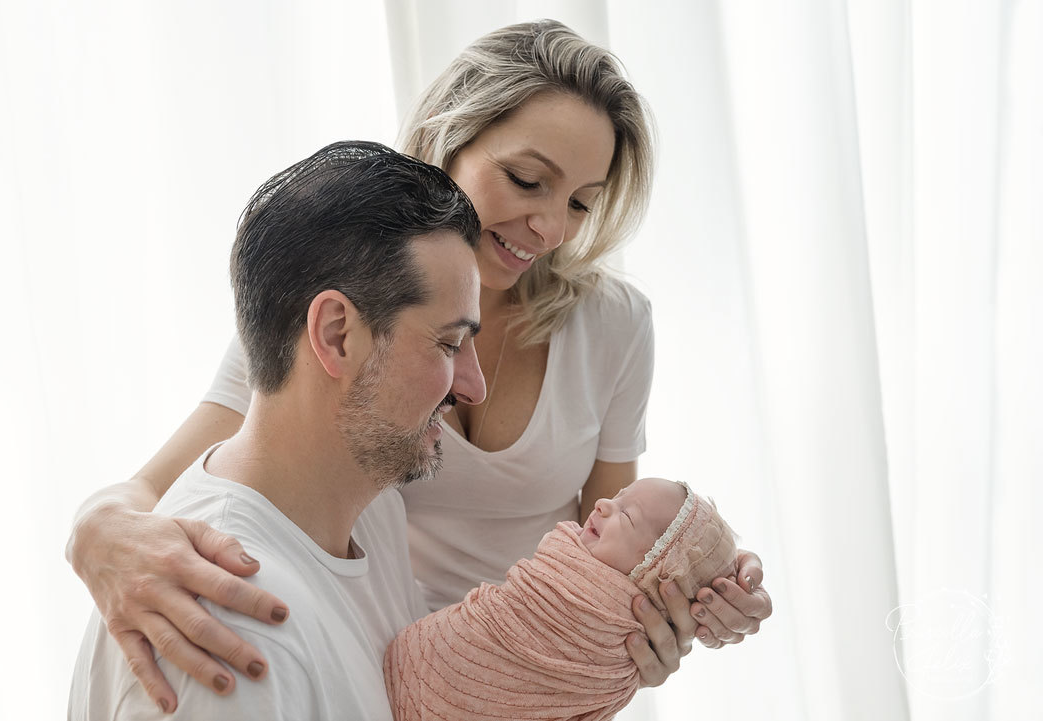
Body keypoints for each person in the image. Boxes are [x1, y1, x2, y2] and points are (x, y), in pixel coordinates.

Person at [65, 19, 773, 715]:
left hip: (525, 677)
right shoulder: (338, 294)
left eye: (581, 203)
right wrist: (95, 530)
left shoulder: (614, 326)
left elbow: (619, 548)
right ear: (448, 134)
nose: (551, 228)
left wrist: (696, 588)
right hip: (376, 661)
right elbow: (202, 482)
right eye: (527, 180)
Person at [69, 140, 487, 719]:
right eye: (448, 343)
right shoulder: (228, 629)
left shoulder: (370, 515)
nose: (473, 387)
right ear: (337, 334)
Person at [383, 478, 739, 721]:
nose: (602, 504)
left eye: (626, 514)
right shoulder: (567, 560)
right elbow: (513, 611)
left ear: (655, 572)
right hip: (430, 633)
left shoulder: (618, 620)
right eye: (616, 497)